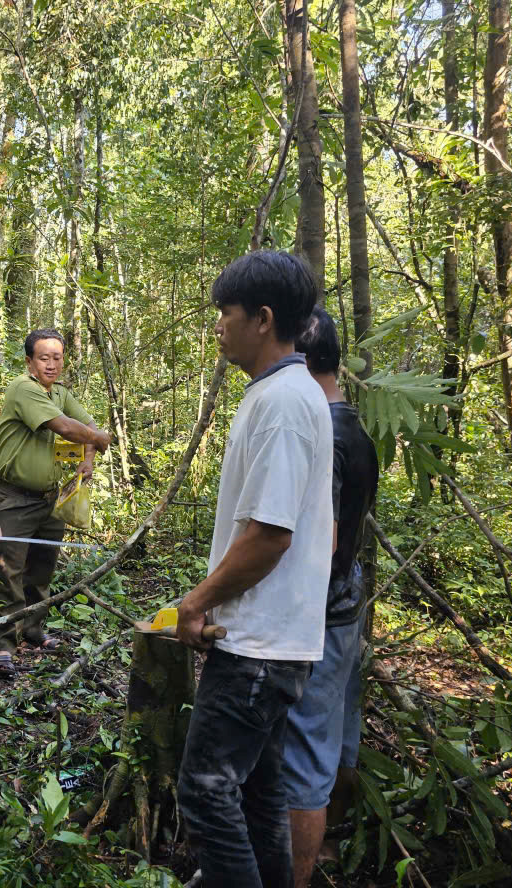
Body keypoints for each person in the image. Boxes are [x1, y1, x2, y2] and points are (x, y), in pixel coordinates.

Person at [175, 251, 333, 888]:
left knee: (205, 793)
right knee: (258, 794)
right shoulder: (277, 394)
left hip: (260, 649)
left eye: (226, 313)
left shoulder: (287, 405)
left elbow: (269, 536)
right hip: (265, 640)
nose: (219, 325)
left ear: (263, 319)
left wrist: (197, 600)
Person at [285, 306, 379, 886]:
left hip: (322, 611)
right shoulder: (355, 426)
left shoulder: (324, 432)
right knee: (340, 730)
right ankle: (331, 847)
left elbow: (326, 539)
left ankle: (299, 869)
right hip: (349, 600)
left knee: (306, 751)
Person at [0, 328, 112, 677]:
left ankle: (32, 629)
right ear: (29, 361)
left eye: (57, 357)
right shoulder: (24, 389)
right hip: (16, 498)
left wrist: (88, 458)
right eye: (44, 357)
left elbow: (85, 422)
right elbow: (66, 427)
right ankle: (3, 645)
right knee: (9, 571)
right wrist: (99, 439)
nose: (51, 364)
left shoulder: (58, 392)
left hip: (49, 497)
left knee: (41, 568)